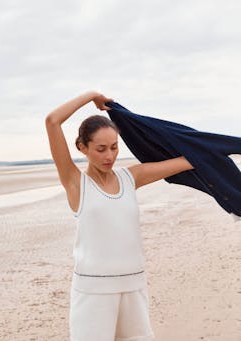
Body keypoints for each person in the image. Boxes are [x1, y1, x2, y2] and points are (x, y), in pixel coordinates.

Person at [45, 90, 194, 341]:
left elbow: (189, 159)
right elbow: (52, 121)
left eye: (114, 147)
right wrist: (92, 96)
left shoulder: (130, 177)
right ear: (82, 147)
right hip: (93, 293)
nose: (109, 156)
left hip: (134, 287)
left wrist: (221, 150)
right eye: (101, 149)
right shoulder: (75, 183)